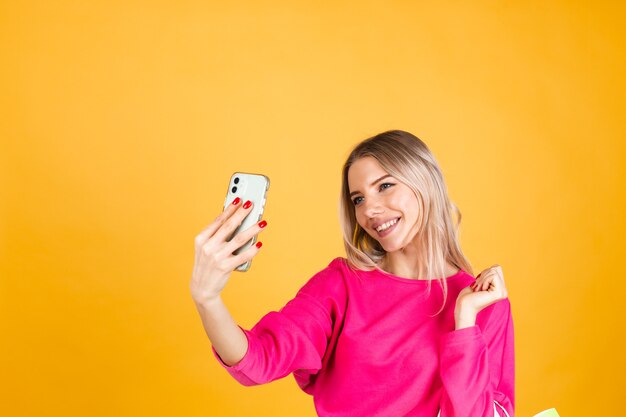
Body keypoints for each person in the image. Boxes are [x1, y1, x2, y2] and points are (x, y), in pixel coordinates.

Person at [190, 130, 514, 417]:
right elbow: (259, 360)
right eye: (358, 199)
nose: (369, 210)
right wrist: (208, 299)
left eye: (385, 186)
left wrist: (465, 322)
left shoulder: (482, 302)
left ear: (425, 182)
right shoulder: (341, 284)